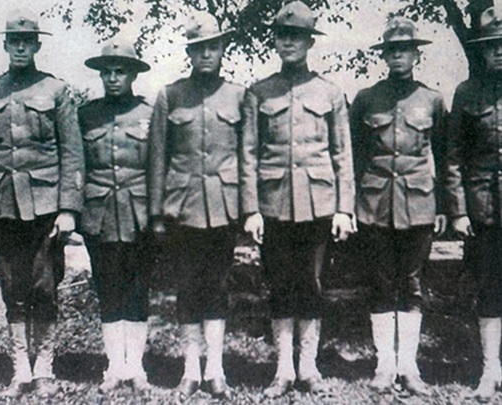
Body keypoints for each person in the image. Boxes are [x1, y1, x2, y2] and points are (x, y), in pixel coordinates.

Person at [0, 9, 84, 400]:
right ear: (5, 46)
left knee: (45, 285)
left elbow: (72, 152)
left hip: (47, 205)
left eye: (26, 42)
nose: (20, 48)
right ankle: (20, 369)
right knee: (11, 287)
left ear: (36, 45)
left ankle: (45, 368)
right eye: (13, 42)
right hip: (1, 205)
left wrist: (68, 208)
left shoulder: (55, 91)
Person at [240, 1, 355, 398]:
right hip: (272, 206)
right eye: (282, 35)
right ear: (275, 40)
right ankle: (283, 369)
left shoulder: (330, 92)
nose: (288, 42)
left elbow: (343, 155)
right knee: (279, 285)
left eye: (296, 36)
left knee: (312, 285)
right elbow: (249, 155)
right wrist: (251, 209)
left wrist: (344, 208)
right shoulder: (259, 92)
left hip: (319, 205)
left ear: (309, 42)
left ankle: (309, 367)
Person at [349, 17, 449, 396]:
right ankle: (384, 365)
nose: (398, 57)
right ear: (384, 55)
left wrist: (441, 206)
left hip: (419, 204)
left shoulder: (433, 99)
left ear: (415, 54)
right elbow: (354, 156)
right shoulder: (366, 99)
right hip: (374, 204)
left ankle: (409, 367)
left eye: (404, 50)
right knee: (380, 283)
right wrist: (352, 204)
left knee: (412, 284)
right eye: (391, 50)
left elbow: (442, 152)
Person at [149, 11, 243, 399]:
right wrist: (156, 212)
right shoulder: (170, 95)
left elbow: (248, 155)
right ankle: (190, 369)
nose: (207, 54)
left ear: (222, 50)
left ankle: (216, 370)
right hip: (182, 208)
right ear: (190, 52)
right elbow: (158, 156)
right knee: (187, 288)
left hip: (224, 206)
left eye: (213, 47)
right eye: (199, 48)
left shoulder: (239, 95)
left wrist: (248, 208)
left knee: (218, 287)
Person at [78, 39, 153, 395]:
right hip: (100, 213)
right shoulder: (87, 115)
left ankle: (135, 366)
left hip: (139, 213)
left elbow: (157, 167)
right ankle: (114, 366)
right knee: (108, 289)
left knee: (137, 290)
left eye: (119, 71)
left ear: (133, 74)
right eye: (106, 72)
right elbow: (77, 166)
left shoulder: (149, 114)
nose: (112, 78)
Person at [447, 4, 502, 401]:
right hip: (484, 209)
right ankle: (490, 371)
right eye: (492, 46)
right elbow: (452, 157)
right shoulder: (467, 93)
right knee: (489, 289)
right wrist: (459, 210)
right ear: (481, 51)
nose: (499, 51)